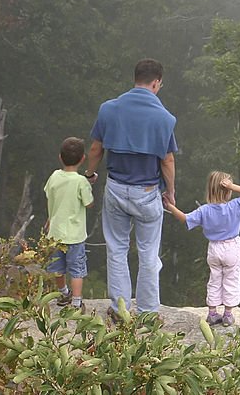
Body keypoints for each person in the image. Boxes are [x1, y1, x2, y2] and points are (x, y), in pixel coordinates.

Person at [86, 58, 177, 321]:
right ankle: (149, 313)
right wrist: (170, 191)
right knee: (148, 253)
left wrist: (90, 174)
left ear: (135, 78)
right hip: (147, 192)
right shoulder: (164, 118)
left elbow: (95, 149)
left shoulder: (109, 109)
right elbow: (167, 160)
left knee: (116, 249)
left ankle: (119, 310)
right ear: (156, 82)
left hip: (115, 188)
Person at [165, 171, 240, 327]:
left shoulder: (204, 210)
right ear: (228, 190)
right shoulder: (234, 206)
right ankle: (227, 314)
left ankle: (212, 313)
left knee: (215, 279)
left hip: (214, 248)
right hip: (231, 247)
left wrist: (170, 206)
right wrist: (232, 185)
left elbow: (185, 219)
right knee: (231, 279)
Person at [43, 137, 94, 309]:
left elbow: (50, 195)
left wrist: (51, 217)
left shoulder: (54, 176)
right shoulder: (80, 181)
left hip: (55, 233)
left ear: (60, 157)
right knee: (77, 269)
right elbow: (89, 203)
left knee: (58, 267)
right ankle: (77, 302)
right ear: (82, 159)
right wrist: (89, 184)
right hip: (75, 236)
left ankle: (63, 293)